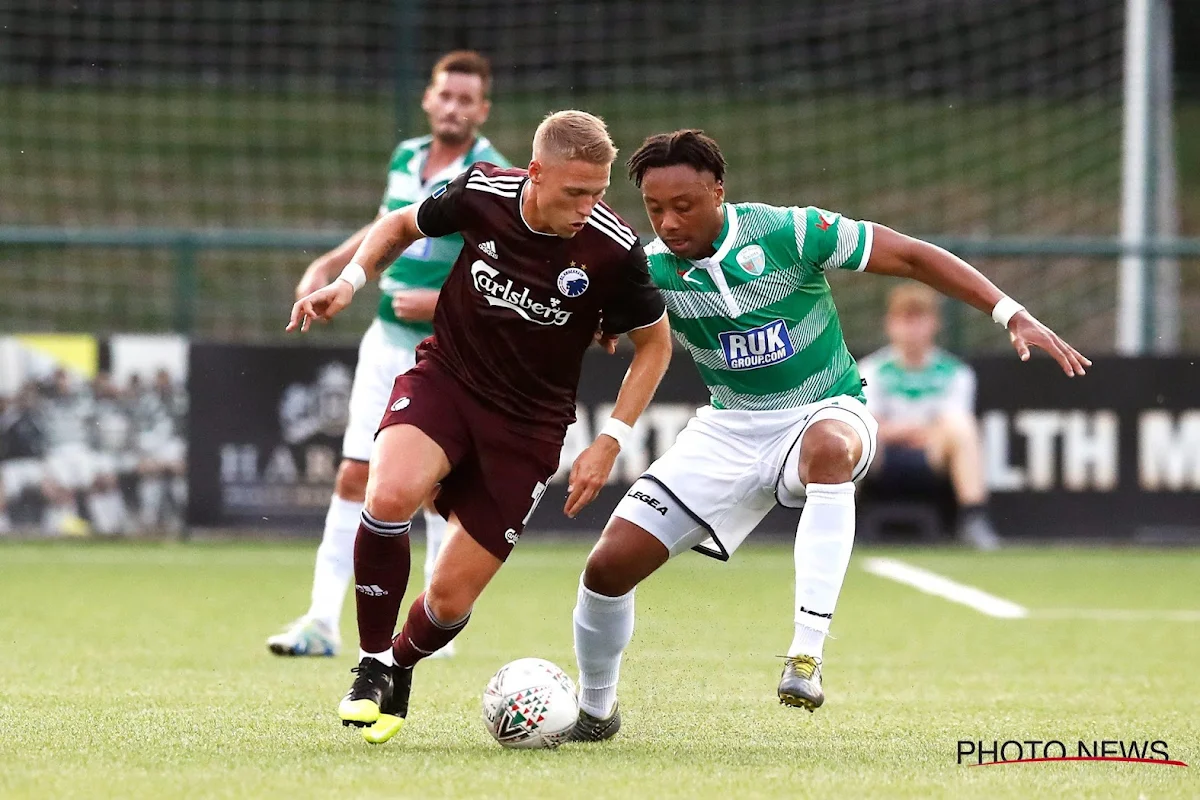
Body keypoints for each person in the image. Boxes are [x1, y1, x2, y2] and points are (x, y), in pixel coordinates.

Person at [568, 130, 1089, 741]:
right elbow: (603, 323)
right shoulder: (649, 268)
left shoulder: (791, 232)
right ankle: (596, 713)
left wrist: (1009, 312)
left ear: (718, 192)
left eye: (684, 206)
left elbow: (914, 257)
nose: (669, 222)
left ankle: (805, 656)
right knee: (606, 569)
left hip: (827, 408)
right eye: (656, 210)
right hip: (729, 430)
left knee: (829, 451)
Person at [287, 110, 672, 745]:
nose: (589, 206)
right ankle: (372, 663)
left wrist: (610, 441)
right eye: (576, 192)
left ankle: (400, 667)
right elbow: (400, 224)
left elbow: (654, 345)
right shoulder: (483, 191)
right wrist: (350, 282)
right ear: (536, 172)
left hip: (529, 427)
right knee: (386, 497)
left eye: (599, 192)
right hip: (447, 381)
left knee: (449, 600)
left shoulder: (613, 248)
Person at [267, 51, 510, 658]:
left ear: (482, 110)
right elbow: (392, 222)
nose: (453, 108)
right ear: (429, 99)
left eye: (466, 100)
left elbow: (508, 267)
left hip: (447, 349)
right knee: (354, 473)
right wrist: (334, 264)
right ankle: (321, 620)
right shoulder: (407, 154)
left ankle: (430, 627)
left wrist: (441, 299)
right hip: (383, 343)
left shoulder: (495, 174)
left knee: (427, 484)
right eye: (444, 96)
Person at [857, 284, 1001, 550]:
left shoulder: (956, 373)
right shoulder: (869, 370)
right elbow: (867, 422)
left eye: (919, 320)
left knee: (963, 429)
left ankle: (973, 519)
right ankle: (838, 522)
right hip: (881, 455)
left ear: (934, 324)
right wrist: (914, 430)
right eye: (904, 320)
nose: (911, 331)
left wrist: (906, 430)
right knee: (852, 434)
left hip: (931, 455)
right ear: (890, 324)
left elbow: (952, 422)